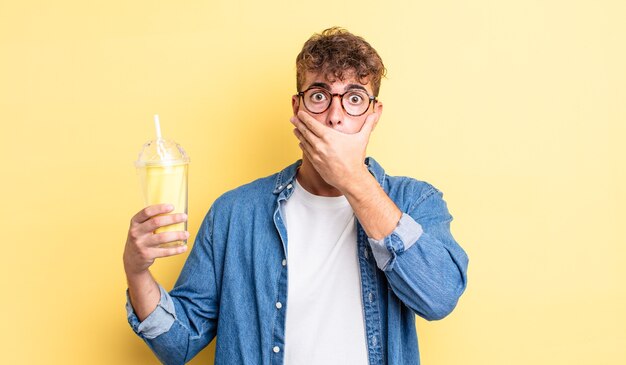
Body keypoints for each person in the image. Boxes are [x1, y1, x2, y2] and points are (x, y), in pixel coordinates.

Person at [124, 27, 469, 365]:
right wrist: (137, 271)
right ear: (297, 108)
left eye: (354, 99)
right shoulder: (234, 214)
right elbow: (177, 345)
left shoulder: (414, 201)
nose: (334, 117)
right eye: (318, 95)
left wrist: (354, 180)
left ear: (373, 115)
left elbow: (438, 298)